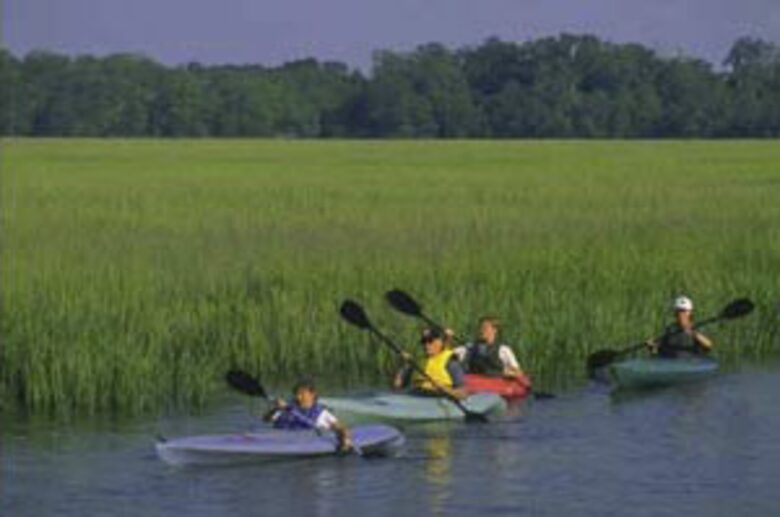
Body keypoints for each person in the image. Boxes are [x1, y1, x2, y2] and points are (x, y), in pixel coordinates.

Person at [264, 379, 353, 452]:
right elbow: (266, 420)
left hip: (304, 443)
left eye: (302, 394)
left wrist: (345, 440)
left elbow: (341, 428)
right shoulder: (288, 407)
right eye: (297, 394)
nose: (298, 397)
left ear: (312, 394)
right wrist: (276, 408)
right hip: (281, 441)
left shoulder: (321, 413)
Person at [393, 327, 468, 400]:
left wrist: (445, 389)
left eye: (430, 341)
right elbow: (397, 386)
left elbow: (462, 394)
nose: (426, 345)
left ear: (440, 342)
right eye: (424, 342)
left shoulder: (451, 363)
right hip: (417, 395)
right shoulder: (421, 360)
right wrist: (405, 365)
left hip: (438, 397)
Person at [453, 316, 527, 382]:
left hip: (496, 383)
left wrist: (505, 373)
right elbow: (451, 353)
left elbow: (518, 372)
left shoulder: (503, 350)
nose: (481, 331)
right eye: (480, 328)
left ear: (495, 330)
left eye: (485, 328)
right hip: (474, 381)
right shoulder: (471, 347)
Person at [647, 295, 713, 358]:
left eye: (684, 311)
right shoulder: (670, 330)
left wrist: (692, 333)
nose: (682, 314)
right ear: (675, 313)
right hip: (673, 365)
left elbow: (709, 345)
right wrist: (652, 348)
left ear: (690, 312)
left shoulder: (697, 327)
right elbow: (660, 351)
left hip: (691, 364)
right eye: (679, 311)